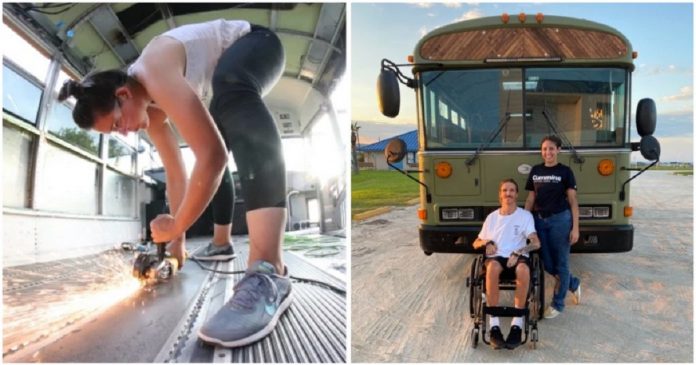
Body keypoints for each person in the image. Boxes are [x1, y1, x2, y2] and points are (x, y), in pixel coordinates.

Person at [57, 19, 292, 348]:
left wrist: (177, 222)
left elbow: (212, 157)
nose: (124, 132)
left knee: (231, 91)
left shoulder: (154, 71)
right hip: (230, 63)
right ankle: (222, 243)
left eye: (116, 124)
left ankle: (268, 268)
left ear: (123, 95)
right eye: (114, 133)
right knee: (219, 129)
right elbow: (176, 173)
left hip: (260, 43)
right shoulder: (150, 112)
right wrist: (175, 246)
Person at [472, 179, 540, 350]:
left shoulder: (525, 216)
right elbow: (476, 243)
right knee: (492, 268)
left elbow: (536, 242)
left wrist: (518, 252)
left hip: (517, 257)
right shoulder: (492, 217)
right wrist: (486, 242)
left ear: (517, 194)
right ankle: (494, 325)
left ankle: (517, 324)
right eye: (504, 190)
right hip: (497, 257)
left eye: (511, 190)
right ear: (500, 195)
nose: (508, 193)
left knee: (524, 269)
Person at [524, 135, 582, 319]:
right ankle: (572, 283)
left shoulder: (565, 172)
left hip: (561, 221)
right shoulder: (535, 170)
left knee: (562, 262)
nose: (547, 152)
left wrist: (575, 228)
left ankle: (558, 303)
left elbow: (573, 200)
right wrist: (523, 221)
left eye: (551, 148)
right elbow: (531, 198)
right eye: (544, 149)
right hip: (539, 221)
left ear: (558, 150)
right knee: (547, 263)